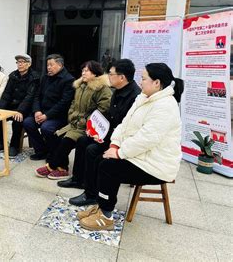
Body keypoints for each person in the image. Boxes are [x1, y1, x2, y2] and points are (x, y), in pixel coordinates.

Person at [78, 63, 184, 231]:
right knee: (100, 158)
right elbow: (124, 125)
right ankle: (101, 204)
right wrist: (114, 145)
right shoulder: (143, 98)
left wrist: (119, 153)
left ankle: (106, 216)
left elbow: (147, 139)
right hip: (141, 155)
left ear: (157, 83)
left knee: (108, 166)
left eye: (143, 79)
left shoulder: (166, 106)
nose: (140, 82)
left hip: (156, 164)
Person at [61, 59, 140, 200]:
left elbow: (127, 127)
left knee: (92, 150)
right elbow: (109, 116)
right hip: (110, 132)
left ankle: (91, 193)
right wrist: (95, 129)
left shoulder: (134, 97)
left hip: (121, 139)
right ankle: (78, 179)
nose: (108, 76)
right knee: (82, 140)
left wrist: (105, 136)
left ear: (121, 77)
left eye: (110, 74)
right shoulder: (117, 90)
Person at [35, 61, 111, 180]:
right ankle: (62, 168)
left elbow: (102, 110)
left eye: (87, 71)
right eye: (83, 70)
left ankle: (51, 166)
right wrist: (71, 115)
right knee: (56, 136)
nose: (83, 73)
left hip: (87, 127)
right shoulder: (80, 86)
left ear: (95, 74)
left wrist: (84, 120)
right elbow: (73, 104)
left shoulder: (102, 89)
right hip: (74, 123)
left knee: (66, 140)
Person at [23, 54, 74, 161]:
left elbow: (64, 103)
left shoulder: (68, 80)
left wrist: (47, 115)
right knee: (28, 122)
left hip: (57, 116)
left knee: (46, 128)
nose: (48, 68)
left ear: (60, 65)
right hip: (42, 112)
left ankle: (53, 152)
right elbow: (37, 96)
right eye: (47, 65)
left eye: (51, 65)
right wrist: (37, 111)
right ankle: (41, 150)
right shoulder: (45, 77)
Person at [0, 54, 40, 158]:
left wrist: (20, 111)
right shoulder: (13, 75)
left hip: (25, 108)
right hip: (11, 106)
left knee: (17, 120)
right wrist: (0, 109)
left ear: (29, 64)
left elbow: (30, 97)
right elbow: (7, 94)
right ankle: (1, 143)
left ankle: (14, 146)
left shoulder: (34, 77)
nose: (19, 64)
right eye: (18, 62)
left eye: (22, 62)